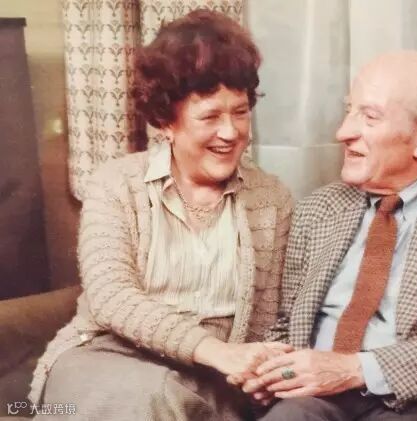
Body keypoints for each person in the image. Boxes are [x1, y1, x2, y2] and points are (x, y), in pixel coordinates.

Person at [233, 51, 417, 420]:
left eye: (369, 117)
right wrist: (272, 370)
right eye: (349, 111)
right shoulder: (318, 208)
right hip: (314, 399)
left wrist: (354, 369)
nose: (343, 132)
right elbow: (287, 321)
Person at [29, 10, 294, 420]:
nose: (230, 132)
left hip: (213, 379)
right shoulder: (115, 184)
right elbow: (111, 297)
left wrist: (258, 373)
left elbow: (273, 315)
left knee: (176, 399)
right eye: (210, 116)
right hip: (106, 358)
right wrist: (215, 351)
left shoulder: (271, 198)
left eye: (240, 112)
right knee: (151, 397)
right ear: (166, 120)